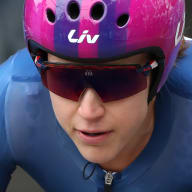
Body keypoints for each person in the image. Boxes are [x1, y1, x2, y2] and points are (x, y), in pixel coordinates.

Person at [0, 0, 191, 191]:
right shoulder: (12, 98)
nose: (89, 111)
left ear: (160, 72)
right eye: (63, 78)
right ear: (39, 63)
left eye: (116, 81)